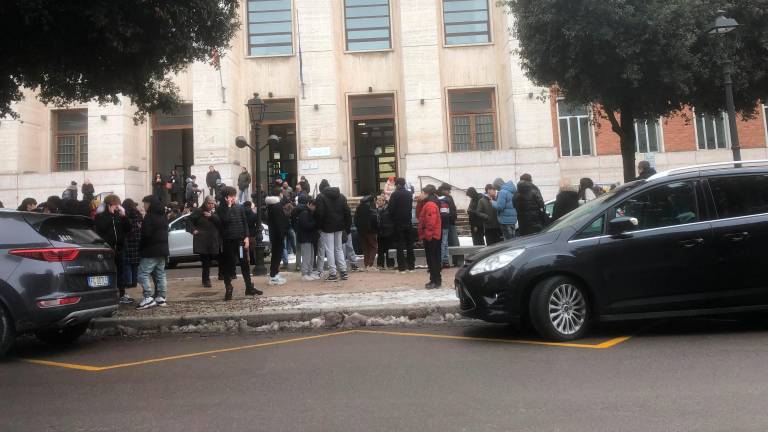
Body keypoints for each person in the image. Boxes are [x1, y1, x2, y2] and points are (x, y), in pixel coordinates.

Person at [217, 186, 261, 300]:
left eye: (234, 195)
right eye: (231, 196)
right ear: (226, 197)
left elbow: (244, 222)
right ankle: (228, 287)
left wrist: (246, 237)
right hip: (228, 241)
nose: (233, 198)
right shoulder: (221, 209)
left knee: (244, 263)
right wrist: (229, 206)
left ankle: (249, 287)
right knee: (228, 265)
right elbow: (225, 220)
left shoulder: (240, 207)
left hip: (240, 241)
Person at [94, 195, 133, 305]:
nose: (116, 208)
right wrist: (110, 215)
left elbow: (128, 228)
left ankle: (121, 293)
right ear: (108, 205)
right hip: (107, 249)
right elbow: (101, 228)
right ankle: (108, 294)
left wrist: (124, 216)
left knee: (120, 272)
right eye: (115, 205)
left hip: (119, 248)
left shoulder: (119, 216)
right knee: (108, 272)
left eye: (118, 206)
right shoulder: (101, 216)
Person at [135, 196, 170, 310]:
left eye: (144, 204)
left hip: (150, 250)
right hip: (163, 250)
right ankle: (161, 298)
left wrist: (141, 247)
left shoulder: (149, 217)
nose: (143, 206)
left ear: (149, 204)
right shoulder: (163, 216)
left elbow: (146, 235)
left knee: (142, 274)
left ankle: (148, 298)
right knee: (160, 274)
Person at [313, 181, 352, 281]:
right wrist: (347, 227)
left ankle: (333, 273)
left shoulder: (320, 197)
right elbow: (347, 212)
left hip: (327, 227)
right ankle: (343, 271)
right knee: (338, 249)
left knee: (329, 250)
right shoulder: (341, 196)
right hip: (339, 226)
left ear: (321, 189)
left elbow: (320, 213)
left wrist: (319, 227)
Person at [188, 196, 222, 288]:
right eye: (209, 203)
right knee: (206, 261)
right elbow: (189, 220)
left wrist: (212, 216)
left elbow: (220, 223)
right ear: (205, 203)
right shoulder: (199, 211)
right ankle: (206, 280)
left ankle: (221, 274)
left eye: (213, 203)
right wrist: (193, 230)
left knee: (218, 257)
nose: (211, 205)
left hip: (213, 240)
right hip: (203, 240)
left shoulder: (216, 212)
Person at [417, 185, 442, 289]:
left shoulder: (430, 205)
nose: (420, 194)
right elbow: (419, 216)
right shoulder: (427, 203)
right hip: (432, 236)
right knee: (433, 259)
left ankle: (435, 280)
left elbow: (430, 222)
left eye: (422, 192)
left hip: (431, 237)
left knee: (432, 260)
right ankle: (435, 279)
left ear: (426, 193)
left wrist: (427, 236)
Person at [389, 177, 415, 273]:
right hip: (408, 221)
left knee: (399, 244)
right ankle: (411, 265)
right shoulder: (409, 194)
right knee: (409, 244)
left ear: (397, 185)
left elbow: (391, 209)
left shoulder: (395, 194)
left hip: (398, 222)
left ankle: (402, 267)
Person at [265, 191, 290, 286]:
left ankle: (274, 273)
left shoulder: (272, 208)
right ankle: (273, 275)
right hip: (278, 236)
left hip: (275, 236)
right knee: (277, 256)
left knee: (276, 255)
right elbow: (280, 223)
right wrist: (283, 233)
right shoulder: (277, 208)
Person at [293, 195, 318, 281]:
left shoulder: (308, 212)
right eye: (314, 206)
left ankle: (309, 272)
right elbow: (305, 225)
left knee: (311, 256)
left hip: (309, 238)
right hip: (305, 238)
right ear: (310, 204)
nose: (315, 208)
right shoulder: (304, 213)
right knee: (307, 256)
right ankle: (305, 273)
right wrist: (315, 224)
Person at [122, 199, 142, 290]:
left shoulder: (125, 216)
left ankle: (128, 282)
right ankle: (134, 281)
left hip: (128, 241)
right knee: (135, 263)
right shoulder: (138, 215)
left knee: (128, 262)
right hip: (138, 241)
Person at [355, 193, 379, 271]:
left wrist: (358, 228)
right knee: (374, 246)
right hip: (371, 230)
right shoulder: (372, 206)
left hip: (361, 231)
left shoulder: (359, 206)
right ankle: (370, 264)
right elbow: (374, 218)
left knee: (365, 248)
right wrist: (376, 228)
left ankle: (366, 265)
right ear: (373, 199)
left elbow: (355, 219)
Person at [437, 183, 457, 268]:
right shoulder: (447, 199)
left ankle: (444, 260)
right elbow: (451, 211)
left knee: (444, 242)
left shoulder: (437, 198)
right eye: (448, 190)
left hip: (441, 223)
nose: (449, 192)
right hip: (446, 223)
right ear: (443, 190)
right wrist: (452, 219)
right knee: (444, 243)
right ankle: (444, 261)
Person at [375, 195, 395, 270]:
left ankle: (390, 264)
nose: (378, 201)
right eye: (378, 200)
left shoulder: (389, 209)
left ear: (384, 201)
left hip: (388, 232)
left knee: (389, 249)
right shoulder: (376, 210)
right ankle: (380, 265)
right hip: (380, 232)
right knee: (380, 249)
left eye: (380, 200)